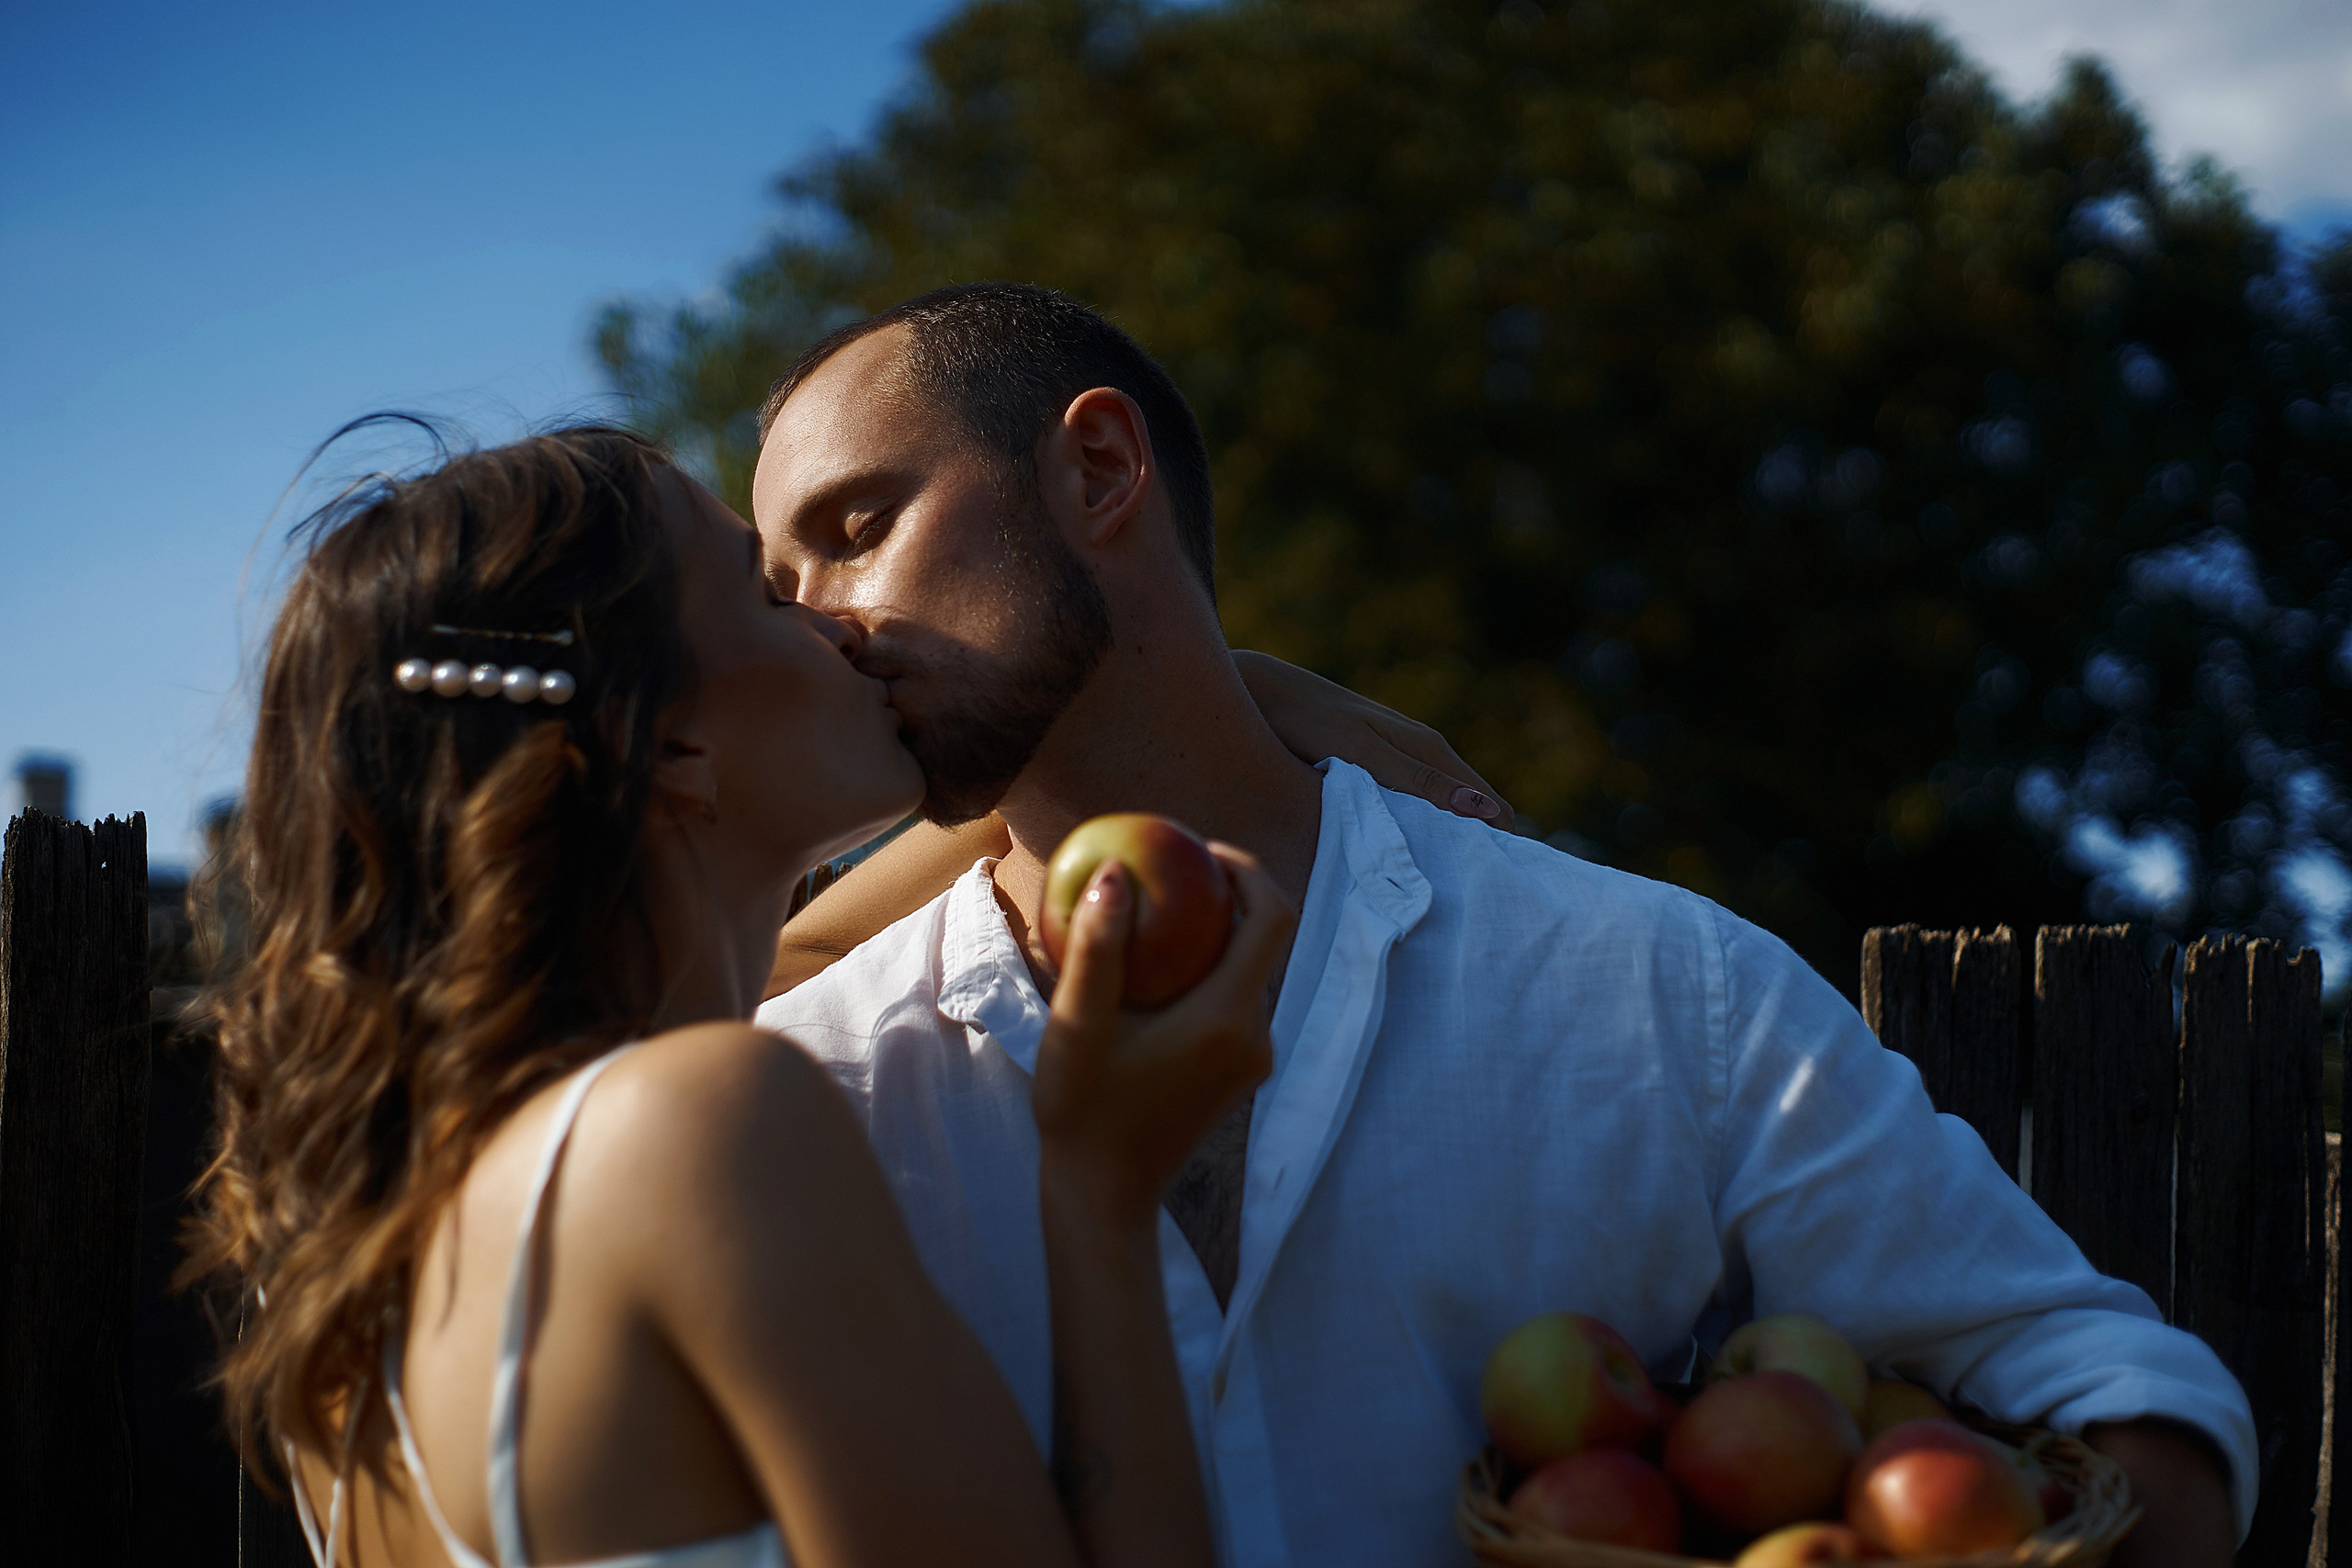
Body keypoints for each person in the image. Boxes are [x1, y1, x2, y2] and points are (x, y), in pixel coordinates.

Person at [749, 283, 2253, 1568]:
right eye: (778, 584)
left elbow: (2112, 1394)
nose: (812, 620)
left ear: (1096, 468)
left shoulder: (1656, 985)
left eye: (858, 527)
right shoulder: (803, 1090)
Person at [184, 422, 1471, 1568]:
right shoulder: (695, 1122)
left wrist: (1217, 703)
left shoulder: (385, 1295)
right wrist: (1097, 1200)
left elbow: (802, 940)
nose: (840, 621)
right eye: (764, 586)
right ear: (673, 743)